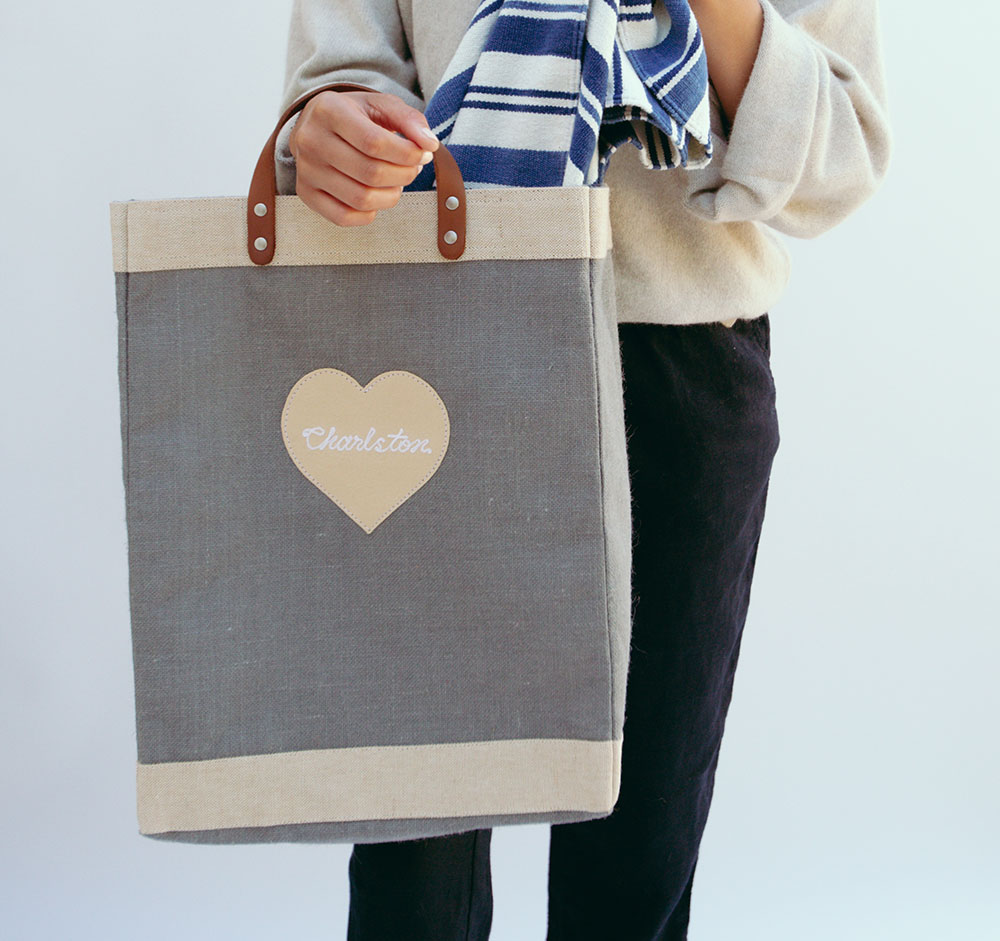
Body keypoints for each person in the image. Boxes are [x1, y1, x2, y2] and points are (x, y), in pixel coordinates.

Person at [274, 1, 893, 938]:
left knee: (641, 841)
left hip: (682, 370)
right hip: (435, 345)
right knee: (415, 847)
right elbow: (334, 83)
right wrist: (328, 130)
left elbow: (838, 159)